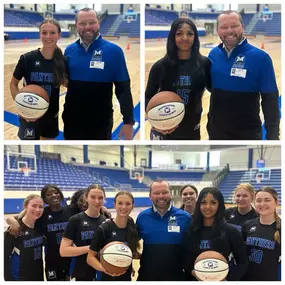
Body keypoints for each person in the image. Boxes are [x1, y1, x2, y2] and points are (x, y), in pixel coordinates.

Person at [63, 8, 134, 140]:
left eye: (92, 22)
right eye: (83, 23)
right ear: (76, 25)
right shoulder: (69, 51)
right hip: (72, 119)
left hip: (101, 121)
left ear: (98, 23)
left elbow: (123, 90)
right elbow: (65, 82)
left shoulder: (114, 52)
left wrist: (128, 121)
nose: (88, 27)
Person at [207, 10, 280, 140]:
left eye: (234, 26)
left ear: (242, 27)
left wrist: (273, 136)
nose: (229, 31)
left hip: (247, 135)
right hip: (216, 133)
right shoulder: (213, 55)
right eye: (224, 27)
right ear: (217, 30)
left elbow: (270, 101)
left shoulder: (261, 58)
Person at [145, 17, 211, 140]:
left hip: (191, 128)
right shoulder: (161, 66)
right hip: (163, 129)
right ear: (172, 37)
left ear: (195, 37)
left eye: (190, 33)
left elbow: (215, 90)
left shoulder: (204, 63)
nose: (185, 38)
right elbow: (148, 96)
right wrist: (155, 122)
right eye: (179, 33)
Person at [9, 19, 67, 140]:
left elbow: (67, 84)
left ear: (59, 35)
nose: (48, 36)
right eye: (44, 33)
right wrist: (21, 107)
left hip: (51, 116)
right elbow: (13, 84)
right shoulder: (27, 59)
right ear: (40, 34)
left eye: (52, 33)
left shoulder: (63, 61)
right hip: (29, 114)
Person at [183, 187, 248, 281]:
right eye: (203, 202)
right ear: (198, 205)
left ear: (219, 205)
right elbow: (185, 261)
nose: (207, 207)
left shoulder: (230, 231)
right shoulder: (191, 230)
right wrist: (196, 273)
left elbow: (243, 263)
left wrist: (227, 280)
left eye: (213, 203)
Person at [136, 179, 192, 280]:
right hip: (148, 277)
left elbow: (193, 246)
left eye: (165, 192)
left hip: (177, 277)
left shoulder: (185, 218)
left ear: (170, 194)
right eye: (156, 193)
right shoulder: (142, 217)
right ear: (150, 196)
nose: (161, 196)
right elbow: (132, 241)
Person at [87, 191, 140, 281]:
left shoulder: (132, 227)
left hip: (126, 278)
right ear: (114, 205)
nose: (124, 207)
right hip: (106, 278)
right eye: (120, 203)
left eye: (128, 204)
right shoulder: (104, 229)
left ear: (132, 206)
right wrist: (105, 269)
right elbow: (90, 258)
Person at [60, 184, 107, 281]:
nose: (97, 201)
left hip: (100, 271)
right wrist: (91, 248)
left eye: (100, 198)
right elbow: (63, 251)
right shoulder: (75, 220)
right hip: (80, 272)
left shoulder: (106, 221)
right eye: (93, 197)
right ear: (86, 197)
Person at [242, 187, 281, 281]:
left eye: (267, 200)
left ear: (276, 202)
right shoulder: (247, 225)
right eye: (258, 200)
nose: (262, 204)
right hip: (245, 278)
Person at [4, 194, 45, 280]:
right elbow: (5, 257)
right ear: (25, 206)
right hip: (20, 277)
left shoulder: (40, 226)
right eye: (34, 206)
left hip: (38, 275)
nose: (37, 209)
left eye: (41, 207)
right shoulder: (15, 229)